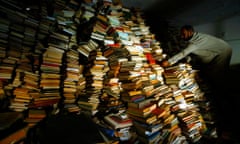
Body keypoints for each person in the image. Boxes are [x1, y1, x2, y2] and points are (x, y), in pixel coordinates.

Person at [161, 25, 233, 140]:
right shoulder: (193, 39)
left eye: (183, 33)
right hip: (216, 52)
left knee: (217, 77)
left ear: (190, 32)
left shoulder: (196, 42)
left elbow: (185, 52)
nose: (181, 36)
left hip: (223, 52)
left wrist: (169, 62)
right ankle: (218, 88)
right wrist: (187, 62)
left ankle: (223, 95)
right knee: (209, 71)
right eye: (181, 33)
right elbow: (193, 53)